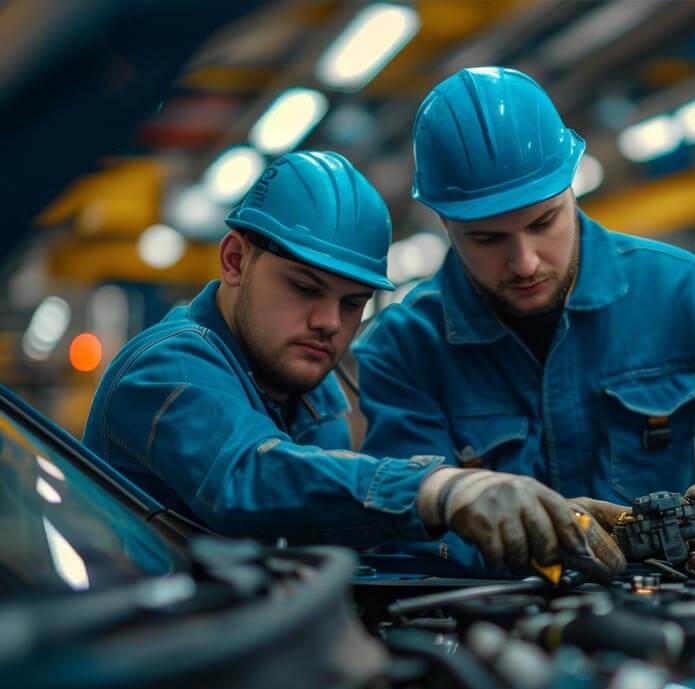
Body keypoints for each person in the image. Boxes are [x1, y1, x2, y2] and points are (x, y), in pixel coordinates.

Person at [353, 67, 695, 578]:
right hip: (486, 627)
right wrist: (533, 543)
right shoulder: (403, 348)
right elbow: (408, 523)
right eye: (486, 239)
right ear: (444, 223)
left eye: (543, 222)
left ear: (571, 186)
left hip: (668, 623)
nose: (525, 261)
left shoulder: (686, 293)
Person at [83, 150, 626, 577]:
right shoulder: (165, 371)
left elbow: (324, 524)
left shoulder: (309, 389)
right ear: (234, 260)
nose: (329, 323)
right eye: (304, 288)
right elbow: (251, 478)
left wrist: (530, 521)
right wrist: (442, 489)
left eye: (351, 303)